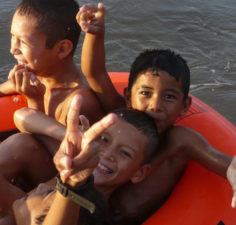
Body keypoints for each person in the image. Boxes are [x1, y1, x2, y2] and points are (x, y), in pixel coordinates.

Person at [0, 15, 159, 224]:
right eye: (103, 140)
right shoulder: (19, 205)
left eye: (125, 152)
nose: (106, 153)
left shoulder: (38, 208)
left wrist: (70, 185)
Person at [76, 3, 235, 224]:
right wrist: (95, 33)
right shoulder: (119, 114)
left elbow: (227, 164)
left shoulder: (180, 141)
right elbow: (94, 74)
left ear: (184, 105)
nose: (155, 105)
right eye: (146, 93)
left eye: (169, 97)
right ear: (129, 95)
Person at [0, 0, 103, 202]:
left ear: (61, 49)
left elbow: (50, 153)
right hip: (25, 156)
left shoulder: (79, 101)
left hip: (51, 180)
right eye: (12, 38)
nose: (12, 49)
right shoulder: (38, 75)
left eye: (22, 42)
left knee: (20, 144)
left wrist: (34, 100)